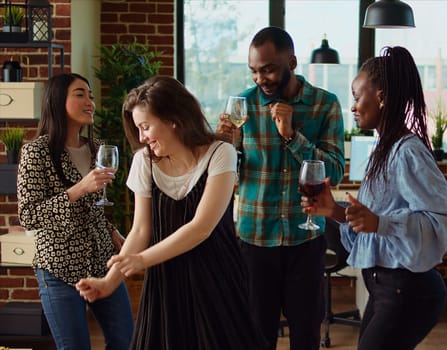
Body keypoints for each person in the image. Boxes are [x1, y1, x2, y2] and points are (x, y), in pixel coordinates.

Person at [75, 76, 268, 350]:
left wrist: (142, 259)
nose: (141, 137)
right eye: (138, 129)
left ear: (173, 119)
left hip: (218, 278)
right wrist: (109, 281)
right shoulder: (144, 161)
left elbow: (201, 227)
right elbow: (141, 230)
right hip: (165, 281)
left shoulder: (220, 153)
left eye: (145, 127)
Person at [301, 46, 447, 350]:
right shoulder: (384, 148)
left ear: (382, 97)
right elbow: (372, 227)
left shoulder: (407, 152)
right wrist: (334, 210)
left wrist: (380, 222)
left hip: (408, 290)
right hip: (383, 287)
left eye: (357, 97)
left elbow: (445, 221)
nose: (353, 106)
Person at [216, 26, 345, 349]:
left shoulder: (324, 105)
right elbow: (229, 177)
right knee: (257, 336)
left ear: (293, 62)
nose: (260, 79)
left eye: (269, 69)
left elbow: (335, 172)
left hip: (306, 238)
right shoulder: (242, 106)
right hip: (254, 238)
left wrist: (291, 136)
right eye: (254, 71)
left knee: (306, 336)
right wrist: (224, 150)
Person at [17, 73, 134, 350]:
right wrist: (78, 189)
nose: (90, 101)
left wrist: (111, 230)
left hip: (102, 263)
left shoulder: (96, 148)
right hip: (58, 268)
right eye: (80, 94)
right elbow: (29, 215)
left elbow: (93, 210)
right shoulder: (36, 152)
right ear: (58, 101)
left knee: (127, 341)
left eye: (90, 95)